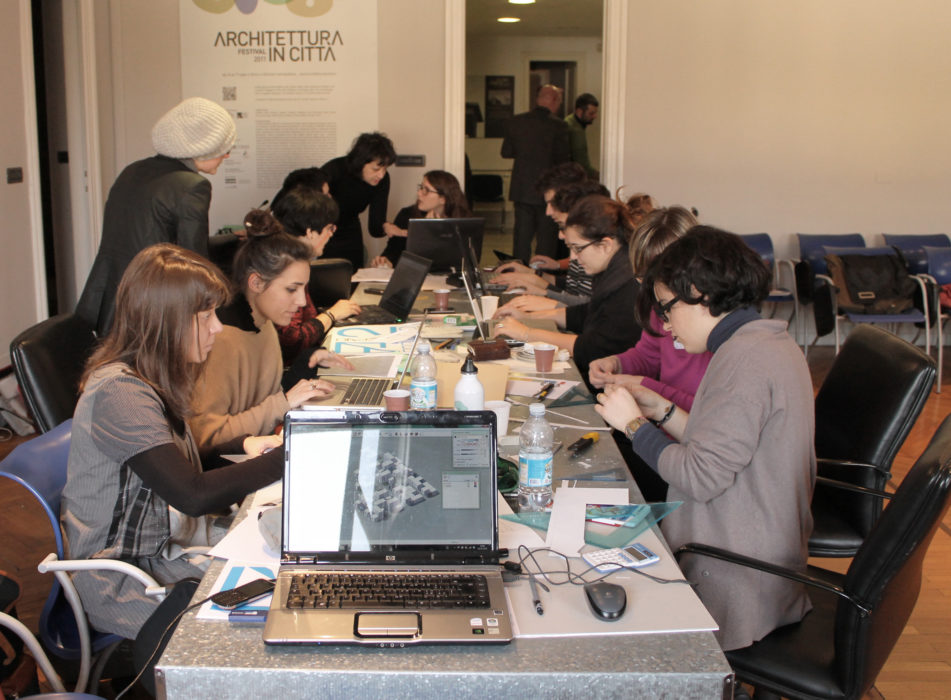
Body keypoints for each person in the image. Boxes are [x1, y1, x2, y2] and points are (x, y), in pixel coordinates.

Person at [594, 227, 816, 651]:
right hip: (755, 544)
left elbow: (699, 476)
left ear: (699, 294)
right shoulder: (763, 341)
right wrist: (659, 409)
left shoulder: (743, 362)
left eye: (667, 308)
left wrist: (634, 426)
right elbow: (721, 445)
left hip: (736, 571)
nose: (664, 324)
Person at [62, 244, 285, 641]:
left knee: (288, 562)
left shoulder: (154, 375)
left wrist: (246, 444)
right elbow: (191, 494)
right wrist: (288, 458)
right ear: (167, 321)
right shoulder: (120, 393)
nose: (218, 327)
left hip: (166, 548)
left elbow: (171, 461)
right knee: (258, 626)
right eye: (206, 316)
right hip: (122, 578)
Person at [189, 209, 354, 449]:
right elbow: (208, 439)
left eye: (303, 289)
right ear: (256, 283)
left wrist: (309, 361)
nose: (301, 301)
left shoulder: (263, 322)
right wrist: (284, 402)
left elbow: (266, 395)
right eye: (291, 289)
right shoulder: (220, 339)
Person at [76, 97, 236, 335]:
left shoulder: (132, 171)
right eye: (225, 150)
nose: (227, 157)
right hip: (152, 304)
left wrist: (230, 238)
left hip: (109, 299)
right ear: (204, 148)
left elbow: (141, 238)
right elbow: (194, 262)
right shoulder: (193, 186)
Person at [588, 206, 709, 502]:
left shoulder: (708, 331)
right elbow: (648, 354)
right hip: (663, 432)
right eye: (642, 279)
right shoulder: (659, 308)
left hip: (683, 450)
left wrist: (647, 388)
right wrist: (617, 363)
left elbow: (707, 416)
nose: (651, 291)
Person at [494, 194, 641, 381]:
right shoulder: (614, 270)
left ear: (605, 245)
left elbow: (591, 348)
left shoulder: (627, 287)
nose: (573, 258)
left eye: (578, 249)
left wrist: (526, 333)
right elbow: (585, 313)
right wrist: (528, 317)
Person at [270, 185, 362, 371]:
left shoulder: (287, 258)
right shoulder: (286, 269)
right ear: (310, 232)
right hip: (291, 370)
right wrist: (331, 315)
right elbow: (293, 340)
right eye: (329, 228)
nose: (332, 233)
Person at [501, 84, 571, 262]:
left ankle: (517, 268)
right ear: (553, 100)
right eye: (559, 101)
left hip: (522, 188)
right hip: (548, 190)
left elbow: (506, 152)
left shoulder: (516, 122)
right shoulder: (559, 126)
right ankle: (542, 271)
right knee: (546, 239)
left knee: (521, 238)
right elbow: (564, 159)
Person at [321, 132, 397, 271]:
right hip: (323, 230)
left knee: (354, 274)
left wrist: (385, 227)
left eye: (385, 169)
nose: (381, 175)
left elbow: (375, 227)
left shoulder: (383, 180)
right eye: (376, 169)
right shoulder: (335, 169)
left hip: (351, 231)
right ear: (360, 163)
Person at [370, 170, 472, 267]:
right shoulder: (406, 214)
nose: (419, 193)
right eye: (421, 187)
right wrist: (385, 262)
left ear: (443, 199)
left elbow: (462, 261)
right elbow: (392, 252)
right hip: (412, 275)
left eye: (426, 190)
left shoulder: (463, 220)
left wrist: (429, 232)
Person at [565, 93, 599, 179]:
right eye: (591, 113)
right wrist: (600, 176)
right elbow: (581, 163)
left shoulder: (570, 122)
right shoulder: (575, 130)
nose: (595, 116)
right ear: (579, 112)